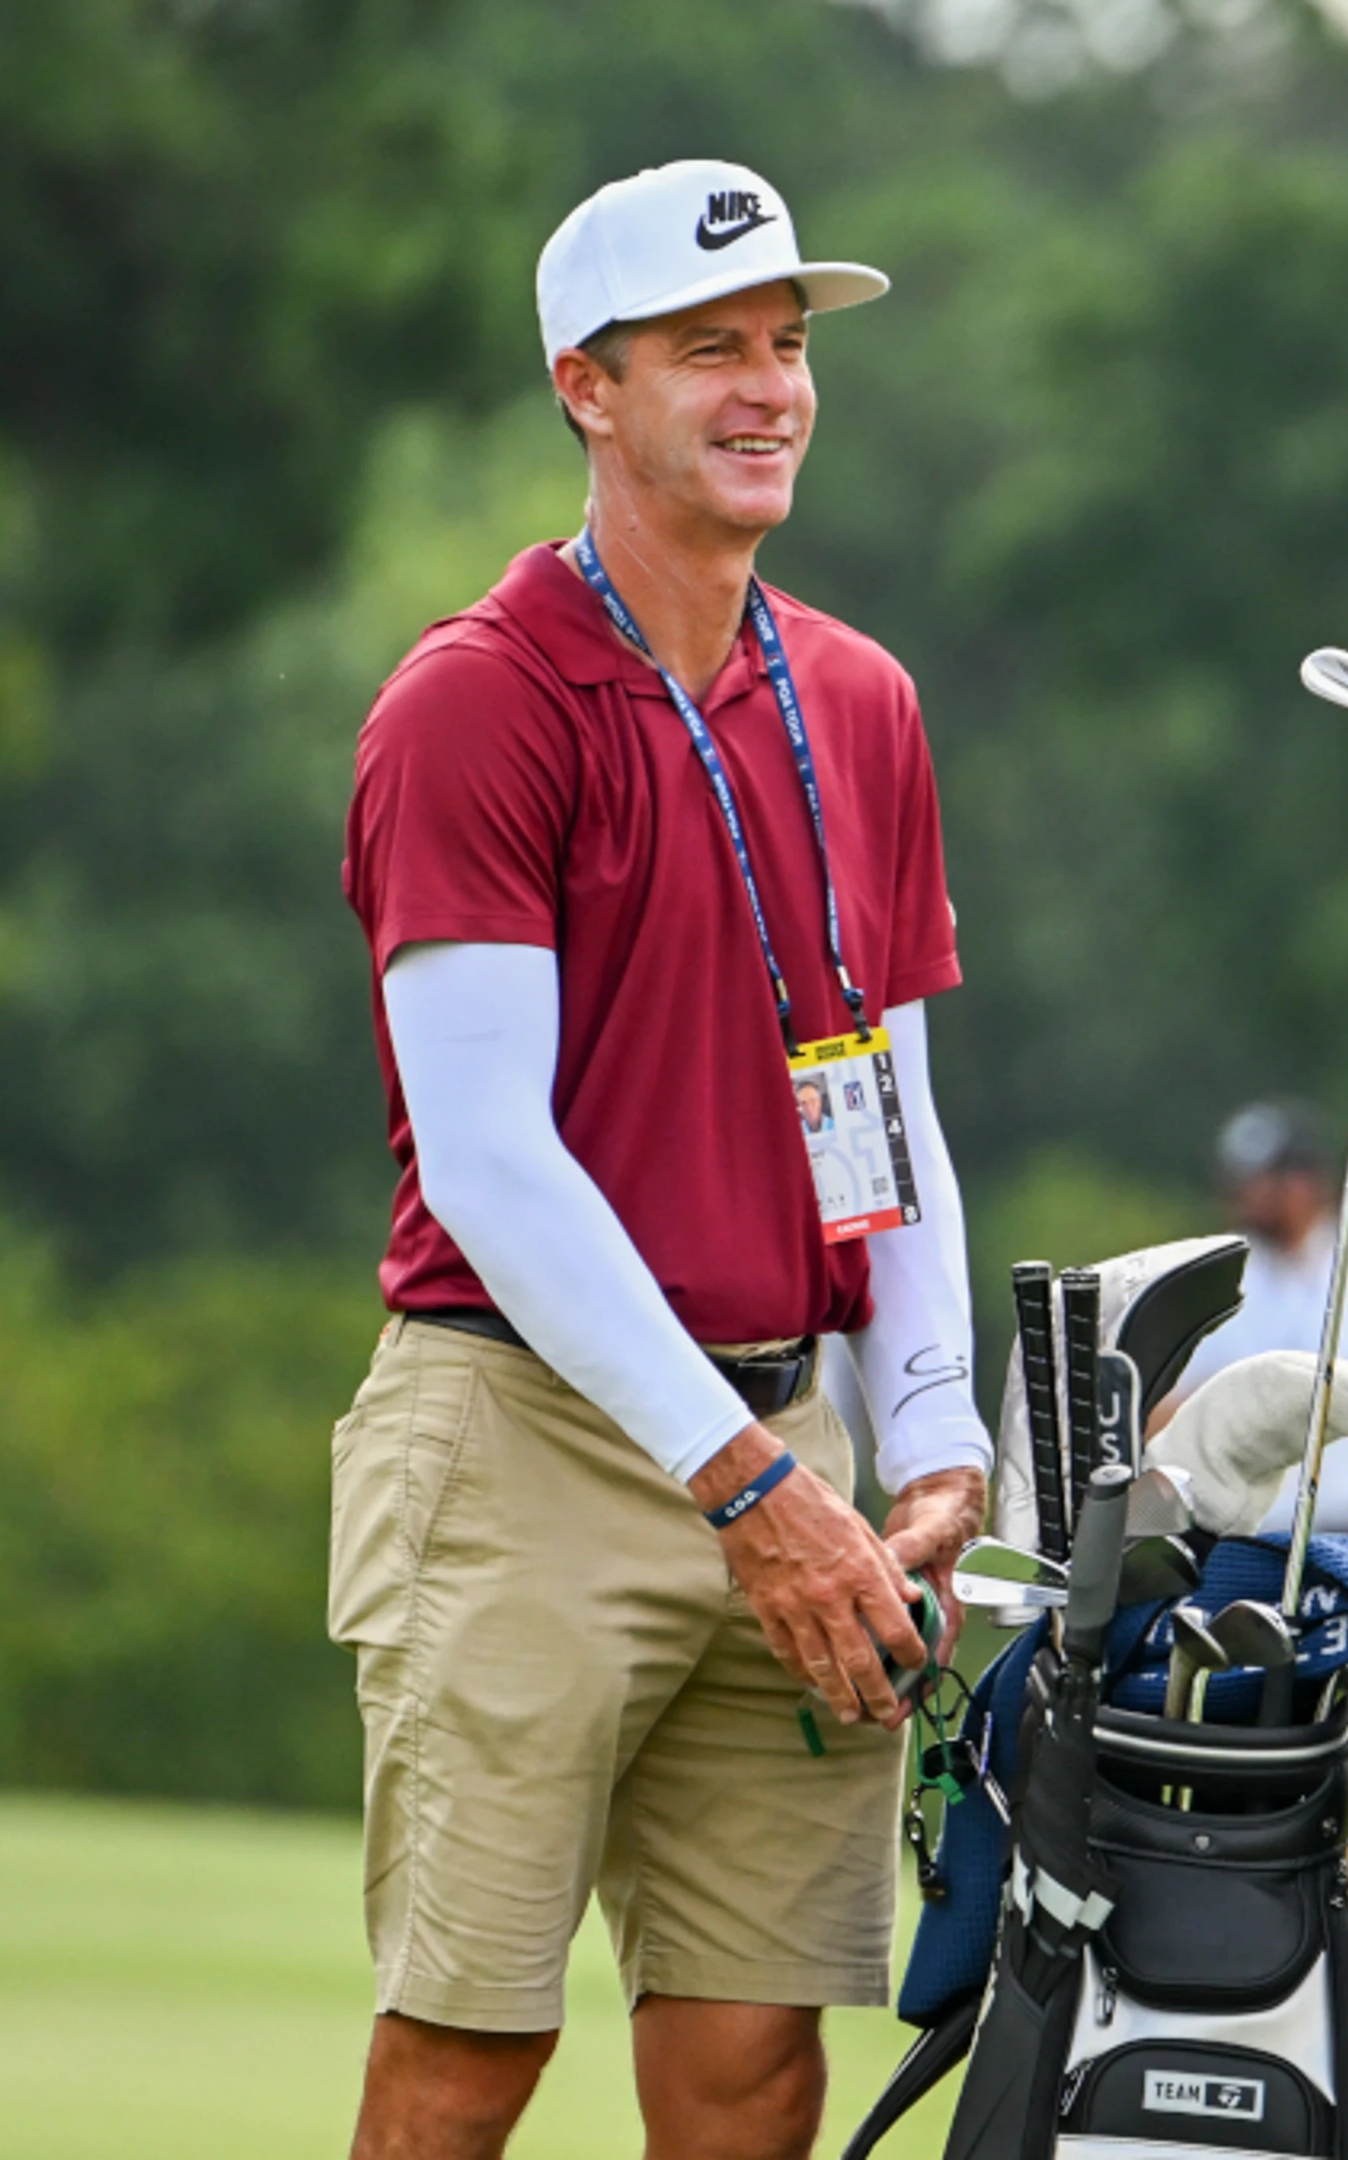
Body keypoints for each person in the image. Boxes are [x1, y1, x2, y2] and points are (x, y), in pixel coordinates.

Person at [331, 160, 989, 2160]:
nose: (769, 387)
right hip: (532, 1448)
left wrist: (934, 1431)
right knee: (467, 2052)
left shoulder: (856, 705)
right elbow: (491, 1161)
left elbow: (901, 1119)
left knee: (751, 2059)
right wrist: (750, 1487)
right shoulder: (476, 703)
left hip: (796, 1443)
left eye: (788, 348)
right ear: (586, 387)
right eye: (711, 349)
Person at [1172, 1097, 1348, 1878]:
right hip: (1240, 1525)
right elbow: (1174, 1405)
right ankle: (1246, 1886)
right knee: (1238, 1715)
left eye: (1266, 1181)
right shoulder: (1215, 1275)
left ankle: (1336, 1897)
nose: (1251, 1199)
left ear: (1310, 1183)